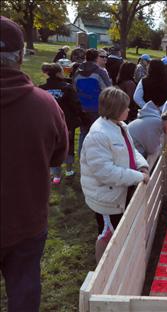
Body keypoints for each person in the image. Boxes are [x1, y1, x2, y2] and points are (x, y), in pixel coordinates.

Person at [0, 16, 68, 312]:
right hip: (26, 221)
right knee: (24, 297)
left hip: (27, 224)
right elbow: (59, 154)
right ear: (21, 55)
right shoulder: (46, 105)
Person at [80, 87, 149, 238]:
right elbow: (105, 173)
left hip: (119, 192)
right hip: (107, 199)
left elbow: (131, 150)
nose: (129, 109)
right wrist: (138, 177)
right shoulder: (99, 135)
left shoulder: (120, 126)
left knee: (118, 233)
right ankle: (103, 261)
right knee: (107, 236)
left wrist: (142, 165)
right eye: (126, 107)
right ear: (115, 109)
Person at [39, 63, 82, 184]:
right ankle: (69, 170)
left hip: (48, 123)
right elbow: (76, 105)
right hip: (66, 123)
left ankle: (56, 175)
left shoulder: (41, 88)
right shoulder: (67, 88)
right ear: (58, 73)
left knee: (52, 147)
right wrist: (78, 115)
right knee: (68, 146)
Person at [73, 48, 112, 156]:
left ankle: (82, 156)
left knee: (84, 133)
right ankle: (97, 157)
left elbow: (74, 90)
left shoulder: (77, 72)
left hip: (82, 108)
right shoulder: (100, 72)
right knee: (99, 134)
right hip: (98, 108)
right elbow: (108, 90)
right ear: (96, 58)